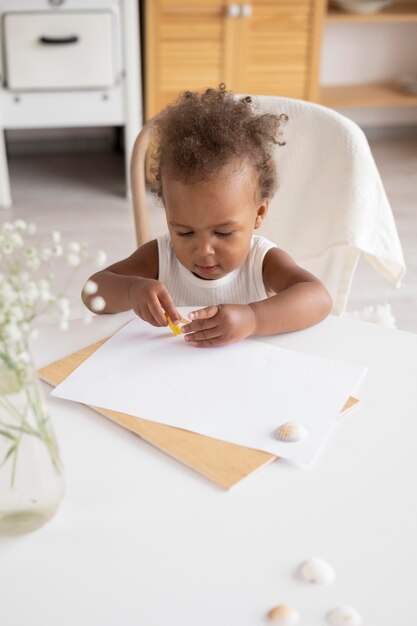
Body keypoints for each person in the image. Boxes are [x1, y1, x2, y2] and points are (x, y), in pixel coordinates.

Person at [83, 85, 332, 348]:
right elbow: (92, 291)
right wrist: (131, 291)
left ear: (259, 213)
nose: (203, 250)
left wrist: (253, 318)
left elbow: (319, 299)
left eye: (223, 233)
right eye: (184, 232)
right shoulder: (160, 258)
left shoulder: (261, 261)